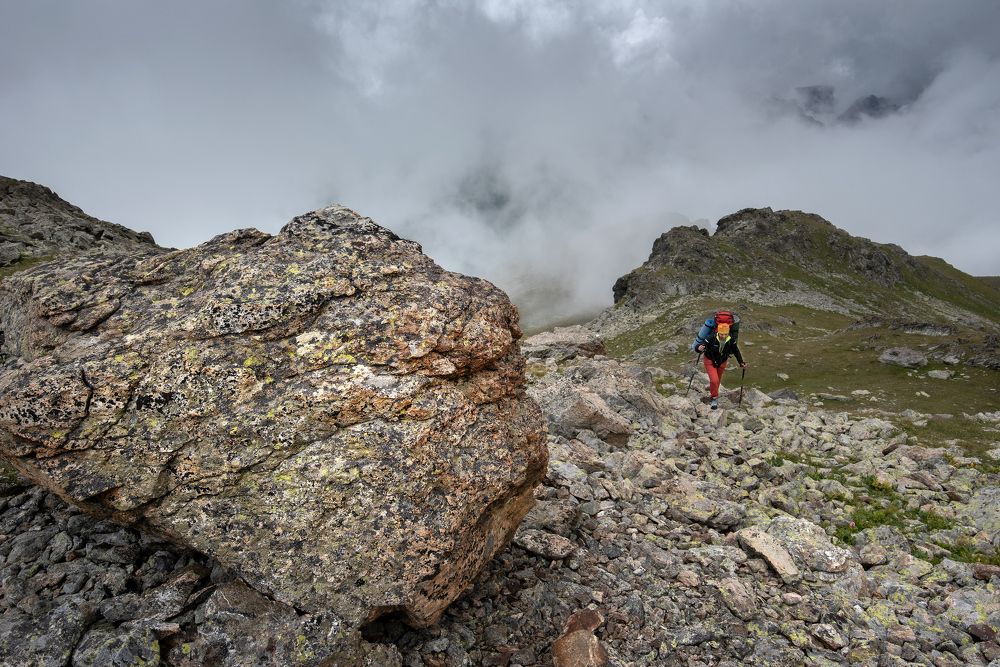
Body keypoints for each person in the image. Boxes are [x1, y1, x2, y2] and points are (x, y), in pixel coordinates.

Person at [691, 312, 747, 410]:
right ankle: (714, 399)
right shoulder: (711, 337)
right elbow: (701, 345)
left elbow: (736, 351)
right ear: (718, 332)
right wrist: (698, 347)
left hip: (722, 362)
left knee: (717, 380)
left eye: (725, 334)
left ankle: (714, 393)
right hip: (710, 360)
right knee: (714, 380)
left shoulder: (731, 340)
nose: (723, 336)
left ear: (728, 333)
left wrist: (741, 362)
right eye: (721, 334)